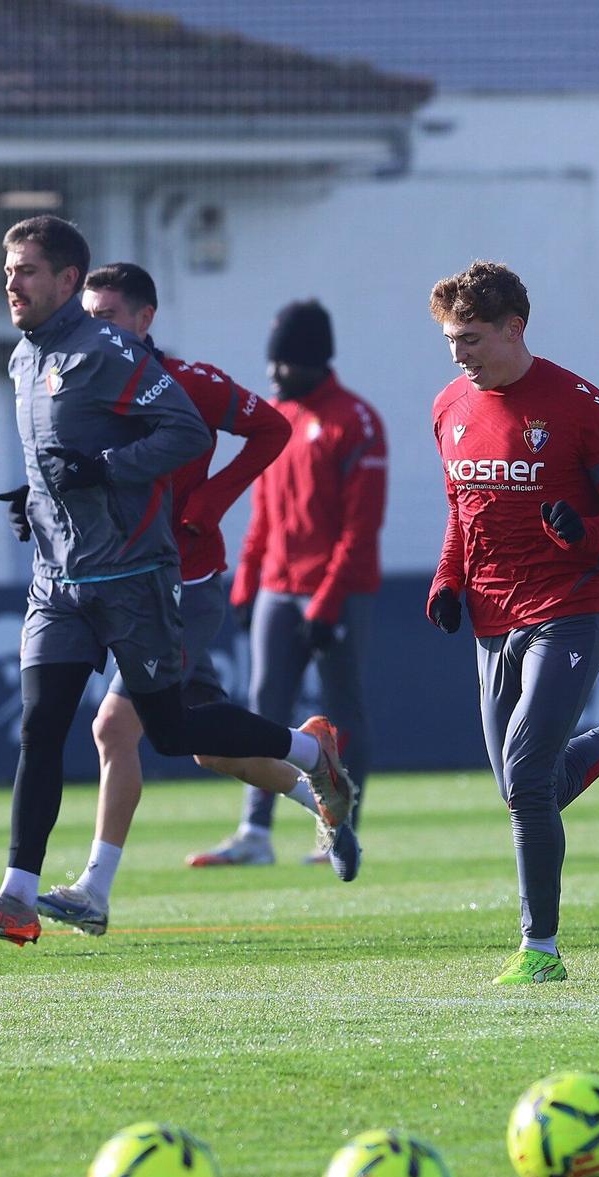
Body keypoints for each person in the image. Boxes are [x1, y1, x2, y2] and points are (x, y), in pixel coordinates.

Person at [0, 216, 355, 947]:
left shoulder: (111, 354)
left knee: (176, 732)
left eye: (27, 269)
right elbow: (59, 461)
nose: (12, 281)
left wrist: (111, 472)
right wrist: (35, 503)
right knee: (43, 726)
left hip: (137, 578)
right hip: (59, 582)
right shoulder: (21, 360)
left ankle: (312, 756)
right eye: (8, 270)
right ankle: (18, 896)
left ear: (70, 281)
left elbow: (187, 434)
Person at [426, 260, 599, 985]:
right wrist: (447, 579)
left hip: (570, 611)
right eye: (451, 340)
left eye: (472, 338)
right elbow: (462, 508)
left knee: (524, 775)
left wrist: (582, 531)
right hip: (491, 615)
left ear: (514, 327)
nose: (459, 354)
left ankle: (539, 950)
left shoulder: (580, 405)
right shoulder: (449, 407)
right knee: (525, 786)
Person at [194, 301, 387, 868]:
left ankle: (339, 829)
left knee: (343, 712)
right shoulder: (278, 417)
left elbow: (361, 526)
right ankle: (255, 831)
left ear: (315, 359)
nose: (274, 374)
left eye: (286, 363)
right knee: (261, 709)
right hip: (278, 587)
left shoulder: (355, 421)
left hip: (338, 593)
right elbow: (263, 513)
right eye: (272, 362)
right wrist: (246, 583)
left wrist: (327, 602)